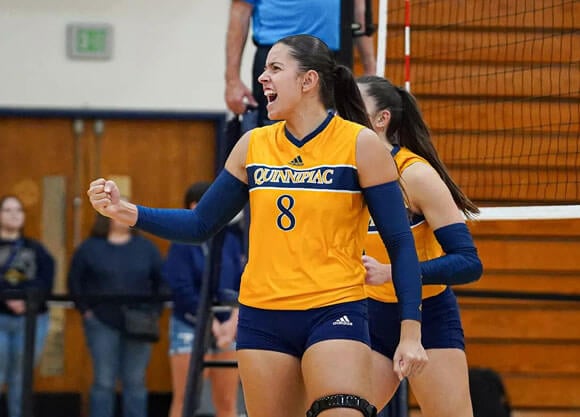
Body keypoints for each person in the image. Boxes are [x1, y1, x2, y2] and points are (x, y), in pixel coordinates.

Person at [87, 34, 427, 417]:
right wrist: (129, 212)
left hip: (334, 307)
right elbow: (201, 224)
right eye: (264, 69)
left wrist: (410, 332)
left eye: (275, 68)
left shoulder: (360, 145)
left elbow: (400, 244)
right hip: (263, 315)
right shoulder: (252, 146)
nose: (263, 78)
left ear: (308, 80)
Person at [356, 75, 483, 416]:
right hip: (369, 316)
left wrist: (391, 272)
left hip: (429, 317)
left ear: (381, 119)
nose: (341, 114)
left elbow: (469, 263)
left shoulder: (416, 175)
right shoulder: (344, 174)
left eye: (352, 106)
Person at [67, 213, 163, 417]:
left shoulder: (146, 248)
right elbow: (75, 281)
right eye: (119, 212)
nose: (123, 217)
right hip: (101, 322)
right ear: (106, 217)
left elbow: (161, 282)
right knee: (104, 381)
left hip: (139, 322)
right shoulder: (89, 248)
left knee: (135, 381)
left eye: (127, 212)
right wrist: (86, 311)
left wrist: (154, 312)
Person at [225, 0, 377, 126]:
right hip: (278, 56)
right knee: (275, 131)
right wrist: (232, 81)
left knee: (334, 131)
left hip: (332, 56)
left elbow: (359, 17)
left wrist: (370, 69)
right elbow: (239, 13)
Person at [164, 182, 244, 417]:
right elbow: (182, 289)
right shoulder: (181, 243)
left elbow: (243, 282)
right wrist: (212, 324)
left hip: (227, 326)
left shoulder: (230, 240)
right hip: (190, 324)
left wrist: (232, 323)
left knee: (228, 401)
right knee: (185, 399)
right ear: (194, 206)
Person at [0, 195, 55, 417]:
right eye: (8, 210)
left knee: (21, 377)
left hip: (30, 320)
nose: (14, 214)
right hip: (1, 317)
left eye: (19, 210)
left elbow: (45, 278)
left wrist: (24, 299)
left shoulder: (36, 249)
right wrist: (7, 297)